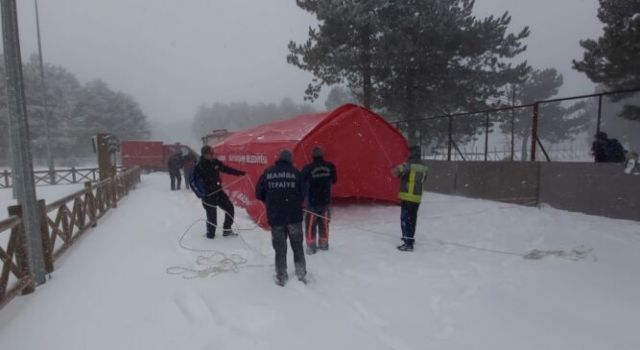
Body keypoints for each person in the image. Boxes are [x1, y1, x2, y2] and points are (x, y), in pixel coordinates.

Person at [255, 149, 307, 286]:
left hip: (276, 217)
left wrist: (271, 199)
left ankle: (281, 275)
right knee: (297, 247)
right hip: (294, 217)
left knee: (280, 248)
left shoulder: (268, 173)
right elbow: (303, 194)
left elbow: (258, 193)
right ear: (290, 160)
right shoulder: (296, 173)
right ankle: (301, 274)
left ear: (278, 159)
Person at [194, 145, 245, 239]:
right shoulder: (199, 166)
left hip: (218, 192)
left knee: (229, 208)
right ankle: (210, 234)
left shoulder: (215, 162)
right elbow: (194, 182)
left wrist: (240, 173)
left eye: (213, 153)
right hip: (208, 196)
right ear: (205, 154)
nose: (213, 155)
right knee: (212, 218)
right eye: (211, 153)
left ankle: (227, 230)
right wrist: (202, 193)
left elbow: (226, 169)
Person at [301, 146, 337, 254]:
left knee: (310, 224)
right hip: (325, 201)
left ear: (312, 156)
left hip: (312, 202)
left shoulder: (308, 168)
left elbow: (301, 181)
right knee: (324, 223)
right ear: (322, 155)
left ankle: (311, 247)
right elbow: (334, 180)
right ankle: (324, 244)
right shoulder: (330, 166)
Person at [392, 145, 428, 252]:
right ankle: (411, 238)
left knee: (405, 219)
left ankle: (407, 242)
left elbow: (396, 173)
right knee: (413, 219)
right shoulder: (424, 166)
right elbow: (424, 179)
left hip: (407, 196)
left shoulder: (408, 164)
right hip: (417, 197)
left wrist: (394, 168)